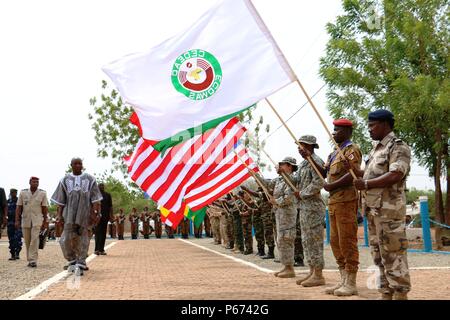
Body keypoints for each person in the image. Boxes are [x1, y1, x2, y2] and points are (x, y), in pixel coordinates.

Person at [351, 110, 412, 300]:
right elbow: (370, 175)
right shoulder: (376, 149)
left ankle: (400, 294)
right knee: (378, 254)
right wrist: (354, 171)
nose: (369, 129)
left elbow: (396, 174)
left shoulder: (398, 147)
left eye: (372, 125)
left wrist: (367, 184)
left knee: (394, 253)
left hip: (389, 211)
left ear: (385, 124)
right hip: (373, 209)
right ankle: (386, 292)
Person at [51, 158, 102, 274]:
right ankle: (72, 259)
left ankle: (81, 261)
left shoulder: (90, 179)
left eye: (80, 163)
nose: (78, 165)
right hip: (69, 214)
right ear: (71, 165)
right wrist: (59, 215)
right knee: (65, 239)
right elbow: (60, 201)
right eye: (76, 164)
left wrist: (95, 213)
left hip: (85, 213)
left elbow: (95, 199)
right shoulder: (64, 180)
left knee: (83, 238)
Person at [295, 136, 326, 287]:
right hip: (304, 207)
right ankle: (312, 270)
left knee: (314, 240)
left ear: (310, 146)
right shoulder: (302, 164)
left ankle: (319, 274)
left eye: (301, 145)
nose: (299, 148)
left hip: (313, 207)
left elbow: (320, 181)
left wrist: (302, 193)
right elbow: (297, 182)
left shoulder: (316, 161)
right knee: (306, 241)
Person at [271, 157, 298, 278]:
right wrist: (255, 175)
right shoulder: (280, 179)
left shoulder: (292, 180)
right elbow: (267, 184)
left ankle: (290, 268)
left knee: (287, 239)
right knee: (281, 240)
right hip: (279, 214)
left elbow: (289, 197)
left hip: (287, 214)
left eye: (283, 164)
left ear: (289, 167)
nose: (280, 166)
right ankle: (285, 266)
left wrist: (275, 201)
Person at [16, 177, 49, 268]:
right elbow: (19, 207)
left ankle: (33, 260)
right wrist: (17, 220)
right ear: (29, 182)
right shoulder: (23, 193)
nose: (36, 183)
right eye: (34, 182)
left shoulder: (42, 193)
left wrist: (45, 221)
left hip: (37, 220)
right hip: (25, 220)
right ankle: (29, 259)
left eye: (37, 182)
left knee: (34, 240)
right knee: (27, 240)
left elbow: (44, 208)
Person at [94, 183, 113, 255]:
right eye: (100, 186)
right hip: (97, 217)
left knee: (103, 233)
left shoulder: (108, 195)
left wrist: (111, 216)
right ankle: (96, 250)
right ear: (97, 187)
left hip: (105, 216)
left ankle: (101, 249)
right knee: (97, 233)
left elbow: (110, 207)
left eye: (102, 186)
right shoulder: (95, 195)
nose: (101, 187)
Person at [7, 189, 22, 260]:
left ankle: (17, 253)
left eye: (15, 192)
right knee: (11, 239)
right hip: (10, 222)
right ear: (10, 193)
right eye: (12, 192)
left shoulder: (19, 201)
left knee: (18, 238)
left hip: (18, 222)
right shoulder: (8, 201)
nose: (14, 194)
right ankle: (12, 254)